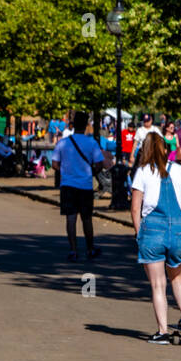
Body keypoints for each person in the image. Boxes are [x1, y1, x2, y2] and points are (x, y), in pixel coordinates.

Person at [130, 131, 181, 344]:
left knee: (158, 284)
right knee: (177, 276)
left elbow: (135, 209)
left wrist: (139, 233)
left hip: (152, 231)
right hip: (177, 229)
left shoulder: (142, 172)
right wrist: (175, 209)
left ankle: (162, 332)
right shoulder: (178, 170)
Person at [53, 109, 114, 261]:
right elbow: (99, 164)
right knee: (87, 218)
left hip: (68, 185)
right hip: (85, 185)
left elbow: (54, 164)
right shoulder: (91, 143)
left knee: (71, 218)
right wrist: (91, 172)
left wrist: (66, 171)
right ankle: (90, 248)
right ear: (86, 125)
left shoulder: (63, 143)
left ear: (73, 125)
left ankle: (73, 250)